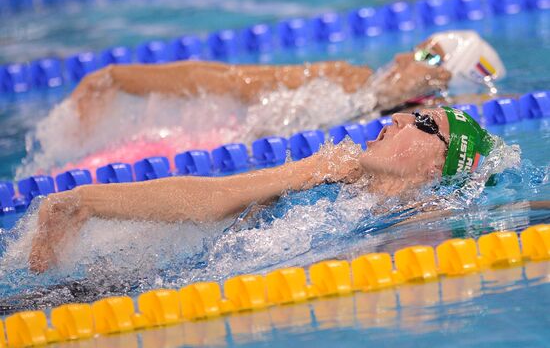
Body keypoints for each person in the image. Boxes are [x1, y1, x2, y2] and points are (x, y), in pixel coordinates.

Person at [29, 107, 495, 273]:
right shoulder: (331, 185)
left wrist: (87, 203)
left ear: (439, 164)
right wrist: (84, 202)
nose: (397, 118)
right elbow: (213, 200)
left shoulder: (431, 226)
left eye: (423, 122)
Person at [40, 30, 505, 177]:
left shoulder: (435, 148)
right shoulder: (348, 83)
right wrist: (118, 79)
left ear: (444, 84)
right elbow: (228, 82)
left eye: (426, 56)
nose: (404, 55)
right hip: (197, 153)